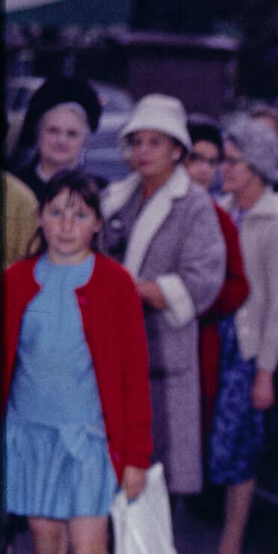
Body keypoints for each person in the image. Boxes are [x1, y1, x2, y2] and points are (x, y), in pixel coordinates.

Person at [2, 170, 153, 554]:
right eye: (57, 212)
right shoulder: (16, 280)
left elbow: (135, 373)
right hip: (29, 435)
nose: (67, 224)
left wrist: (135, 455)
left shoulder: (113, 283)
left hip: (88, 441)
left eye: (80, 214)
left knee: (89, 552)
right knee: (46, 547)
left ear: (97, 223)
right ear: (41, 216)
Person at [100, 95, 227, 497]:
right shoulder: (114, 198)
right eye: (137, 141)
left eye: (155, 142)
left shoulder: (195, 207)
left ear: (177, 149)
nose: (143, 152)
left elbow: (203, 281)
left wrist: (130, 288)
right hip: (107, 357)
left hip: (164, 363)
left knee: (157, 488)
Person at [209, 117, 278, 554]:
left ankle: (232, 546)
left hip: (246, 351)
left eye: (233, 161)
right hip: (214, 341)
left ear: (258, 167)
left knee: (238, 450)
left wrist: (265, 371)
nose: (224, 169)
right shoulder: (222, 210)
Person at [185, 119, 249, 481]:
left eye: (213, 161)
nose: (205, 169)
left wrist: (195, 303)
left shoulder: (219, 218)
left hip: (199, 341)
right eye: (197, 158)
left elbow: (239, 285)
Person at [11, 77, 103, 202]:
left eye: (72, 134)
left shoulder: (102, 192)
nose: (61, 141)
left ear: (85, 140)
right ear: (38, 133)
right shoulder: (11, 188)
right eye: (52, 130)